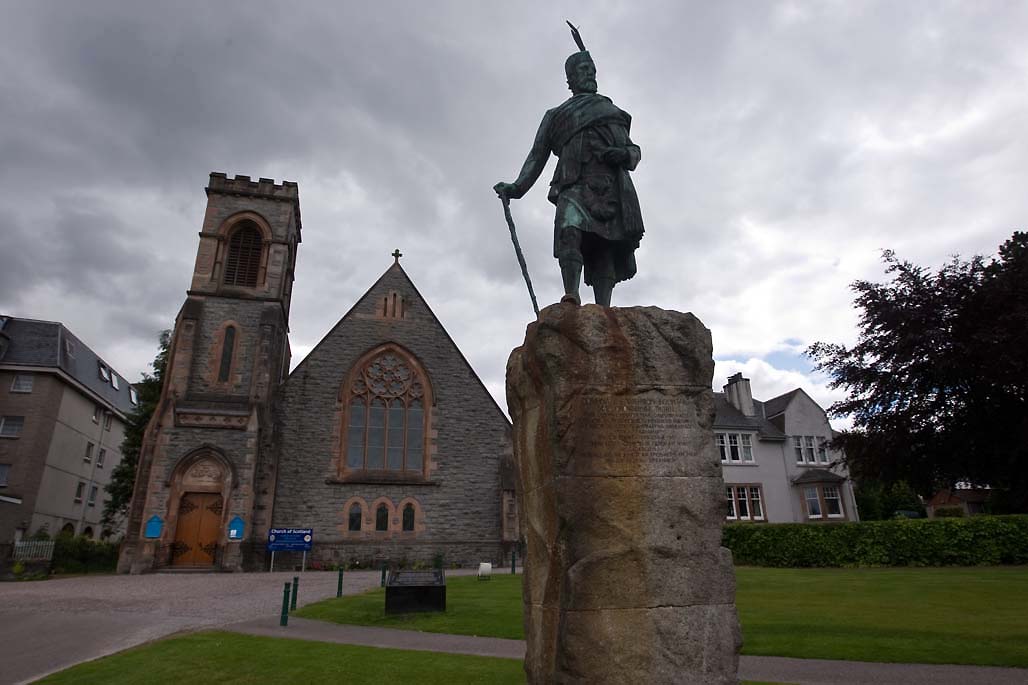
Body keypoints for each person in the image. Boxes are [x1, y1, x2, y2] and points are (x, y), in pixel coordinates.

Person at [494, 49, 644, 307]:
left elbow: (633, 150)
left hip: (608, 186)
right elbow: (537, 155)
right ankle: (571, 294)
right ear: (570, 79)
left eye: (593, 71)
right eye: (584, 71)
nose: (591, 75)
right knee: (569, 230)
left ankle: (603, 308)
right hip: (573, 184)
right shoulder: (556, 116)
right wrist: (517, 187)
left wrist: (622, 154)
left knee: (604, 246)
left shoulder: (608, 111)